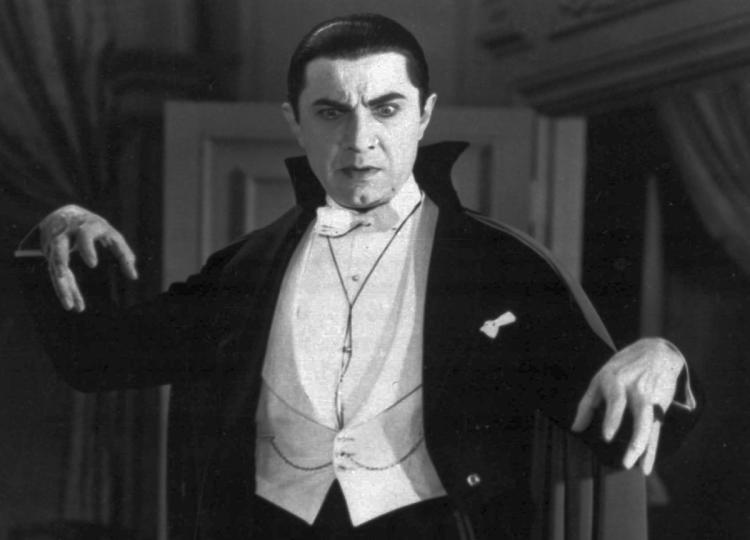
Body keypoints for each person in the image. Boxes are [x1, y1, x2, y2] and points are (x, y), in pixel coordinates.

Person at [17, 13, 697, 540]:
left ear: (425, 115)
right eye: (331, 111)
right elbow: (96, 360)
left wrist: (662, 358)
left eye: (386, 108)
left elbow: (616, 428)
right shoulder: (248, 266)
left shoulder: (501, 267)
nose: (359, 139)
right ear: (295, 123)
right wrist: (52, 237)